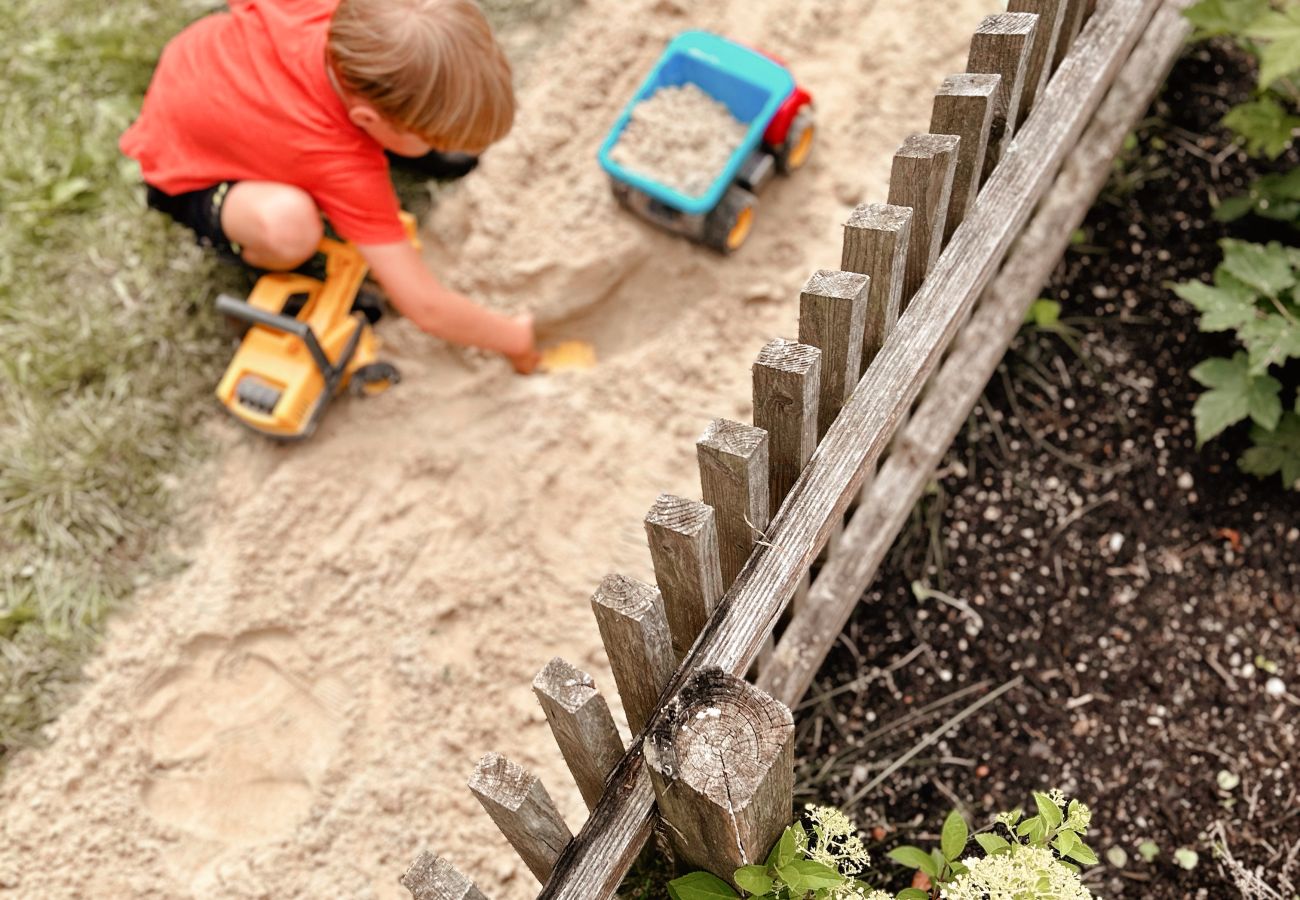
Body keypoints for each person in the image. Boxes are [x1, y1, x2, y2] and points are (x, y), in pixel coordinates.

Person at [120, 0, 539, 374]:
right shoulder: (341, 165)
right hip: (184, 167)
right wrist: (515, 340)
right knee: (288, 225)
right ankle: (256, 249)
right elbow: (425, 306)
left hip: (207, 58)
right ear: (368, 122)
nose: (435, 145)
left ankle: (400, 134)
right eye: (428, 137)